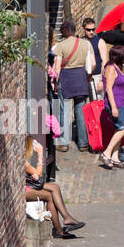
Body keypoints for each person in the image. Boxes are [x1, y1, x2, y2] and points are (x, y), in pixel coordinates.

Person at [24, 135, 83, 238]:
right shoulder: (24, 162)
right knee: (49, 196)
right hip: (25, 189)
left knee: (54, 187)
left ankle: (66, 218)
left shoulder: (27, 158)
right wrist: (40, 152)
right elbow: (38, 174)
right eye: (33, 144)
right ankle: (59, 230)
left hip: (29, 184)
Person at [50, 21, 92, 152]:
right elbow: (93, 64)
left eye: (62, 30)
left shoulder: (60, 46)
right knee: (80, 111)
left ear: (67, 30)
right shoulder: (86, 44)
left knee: (64, 111)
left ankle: (63, 142)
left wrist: (54, 83)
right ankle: (83, 142)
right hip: (80, 78)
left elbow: (57, 67)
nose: (61, 32)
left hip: (66, 79)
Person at [97, 46, 124, 169]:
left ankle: (115, 157)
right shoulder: (111, 68)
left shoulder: (118, 66)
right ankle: (106, 153)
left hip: (121, 102)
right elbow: (108, 88)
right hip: (115, 104)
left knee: (119, 130)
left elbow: (120, 84)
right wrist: (113, 107)